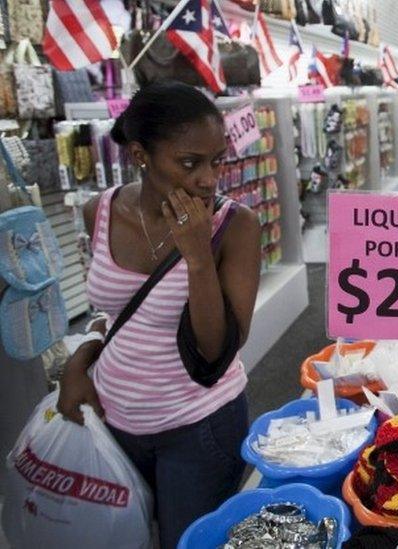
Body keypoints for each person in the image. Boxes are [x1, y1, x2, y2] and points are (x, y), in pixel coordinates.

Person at [56, 82, 262, 549]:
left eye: (217, 160)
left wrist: (197, 257)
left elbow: (215, 352)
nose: (209, 179)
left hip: (198, 426)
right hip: (114, 419)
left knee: (187, 542)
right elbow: (109, 314)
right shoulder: (100, 212)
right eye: (190, 163)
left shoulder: (236, 227)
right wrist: (77, 364)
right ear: (139, 155)